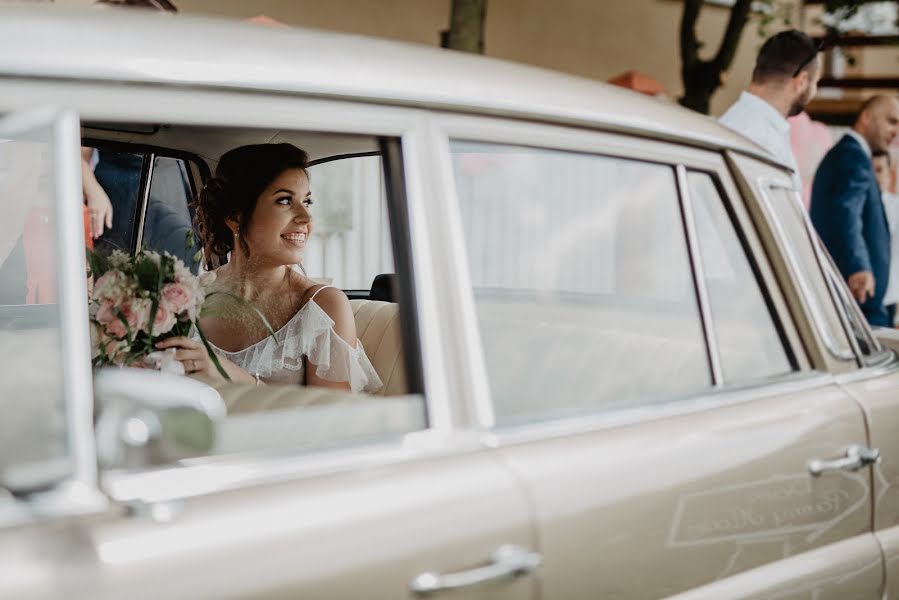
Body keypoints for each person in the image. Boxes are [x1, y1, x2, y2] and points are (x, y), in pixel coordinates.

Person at [155, 143, 382, 393]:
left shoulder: (322, 306)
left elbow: (330, 420)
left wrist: (237, 379)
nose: (306, 218)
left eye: (307, 202)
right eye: (285, 200)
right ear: (235, 217)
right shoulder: (185, 296)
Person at [810, 95, 899, 327]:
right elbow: (846, 212)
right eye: (891, 121)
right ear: (867, 117)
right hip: (858, 301)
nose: (896, 131)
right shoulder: (852, 156)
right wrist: (858, 267)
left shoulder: (847, 155)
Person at [720, 29, 822, 191]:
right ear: (802, 81)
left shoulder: (737, 121)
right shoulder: (762, 140)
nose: (815, 91)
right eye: (816, 82)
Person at [874, 149, 899, 324]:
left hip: (890, 295)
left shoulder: (896, 207)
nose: (875, 177)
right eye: (871, 170)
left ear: (889, 175)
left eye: (880, 170)